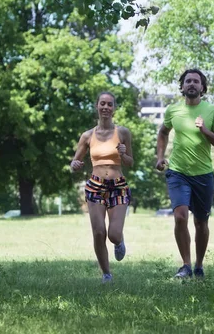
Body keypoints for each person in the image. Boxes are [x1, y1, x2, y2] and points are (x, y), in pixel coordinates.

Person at [156, 69, 214, 279]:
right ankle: (185, 265)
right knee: (180, 217)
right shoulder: (173, 110)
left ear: (203, 88)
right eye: (188, 81)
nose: (192, 84)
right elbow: (163, 132)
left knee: (201, 223)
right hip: (178, 172)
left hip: (203, 174)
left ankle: (198, 265)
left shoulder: (212, 111)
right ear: (182, 86)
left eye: (196, 81)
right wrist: (160, 156)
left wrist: (205, 131)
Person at [71, 91, 133, 283]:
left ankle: (119, 241)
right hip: (95, 186)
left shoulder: (122, 133)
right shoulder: (87, 136)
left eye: (109, 104)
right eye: (102, 104)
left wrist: (123, 154)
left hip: (118, 186)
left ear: (114, 109)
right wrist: (74, 165)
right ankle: (106, 274)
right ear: (97, 106)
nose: (106, 107)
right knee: (99, 232)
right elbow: (75, 161)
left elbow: (130, 163)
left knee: (113, 235)